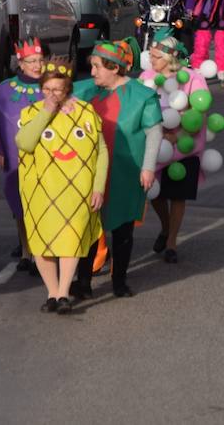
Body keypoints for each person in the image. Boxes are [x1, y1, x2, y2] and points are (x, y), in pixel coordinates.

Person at [71, 40, 162, 299]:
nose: (92, 73)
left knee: (123, 229)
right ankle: (83, 283)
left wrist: (147, 167)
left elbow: (154, 133)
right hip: (89, 173)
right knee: (87, 227)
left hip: (126, 171)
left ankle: (119, 281)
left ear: (115, 68)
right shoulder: (82, 91)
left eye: (98, 67)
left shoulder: (141, 96)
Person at [16, 60, 106, 314]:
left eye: (58, 90)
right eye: (48, 89)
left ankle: (64, 292)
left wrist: (98, 186)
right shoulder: (31, 113)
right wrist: (46, 111)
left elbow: (102, 151)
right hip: (41, 192)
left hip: (78, 190)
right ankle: (52, 293)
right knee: (43, 243)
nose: (53, 95)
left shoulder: (86, 112)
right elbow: (25, 143)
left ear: (67, 89)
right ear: (41, 88)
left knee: (72, 239)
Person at [0, 38, 48, 275]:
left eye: (40, 60)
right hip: (15, 158)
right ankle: (27, 249)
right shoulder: (4, 90)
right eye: (32, 61)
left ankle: (41, 252)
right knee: (20, 206)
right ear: (21, 63)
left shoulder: (52, 86)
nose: (37, 65)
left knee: (42, 205)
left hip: (48, 159)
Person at [141, 32, 213, 263]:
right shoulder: (146, 77)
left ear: (168, 57)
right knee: (155, 193)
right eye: (150, 55)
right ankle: (165, 226)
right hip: (154, 145)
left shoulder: (192, 78)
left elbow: (199, 112)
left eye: (154, 56)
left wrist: (179, 134)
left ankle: (172, 241)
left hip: (184, 145)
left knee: (178, 195)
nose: (150, 60)